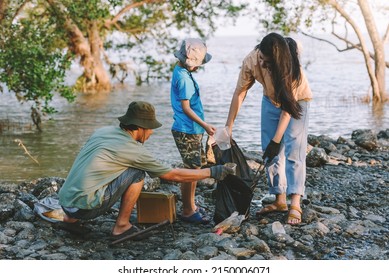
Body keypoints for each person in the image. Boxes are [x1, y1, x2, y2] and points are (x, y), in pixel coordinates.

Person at [58, 101, 233, 239]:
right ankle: (122, 226)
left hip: (66, 203)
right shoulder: (132, 150)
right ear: (141, 128)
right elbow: (172, 175)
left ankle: (70, 220)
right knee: (137, 173)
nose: (151, 133)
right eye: (150, 129)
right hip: (84, 209)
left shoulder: (103, 132)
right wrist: (212, 172)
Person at [225, 33, 312, 225]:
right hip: (270, 100)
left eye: (268, 62)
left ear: (278, 61)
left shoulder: (291, 68)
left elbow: (287, 111)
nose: (262, 63)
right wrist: (229, 126)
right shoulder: (252, 59)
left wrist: (277, 140)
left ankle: (295, 203)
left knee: (293, 150)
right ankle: (280, 200)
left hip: (296, 102)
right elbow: (240, 92)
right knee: (269, 150)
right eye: (261, 58)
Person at [170, 38, 216, 224]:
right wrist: (205, 125)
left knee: (194, 167)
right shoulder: (183, 78)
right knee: (192, 170)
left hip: (190, 128)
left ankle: (190, 205)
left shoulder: (180, 70)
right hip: (187, 129)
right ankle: (188, 210)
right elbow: (187, 109)